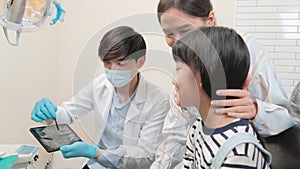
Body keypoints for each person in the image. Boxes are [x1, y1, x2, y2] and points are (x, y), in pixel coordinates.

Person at [151, 0, 296, 168]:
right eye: (169, 34)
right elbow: (174, 134)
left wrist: (257, 110)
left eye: (185, 30)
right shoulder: (196, 129)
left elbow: (288, 119)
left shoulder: (244, 51)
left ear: (210, 19)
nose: (178, 41)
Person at [31, 26, 170, 169]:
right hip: (97, 165)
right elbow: (66, 114)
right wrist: (49, 113)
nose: (113, 70)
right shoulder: (99, 85)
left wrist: (94, 152)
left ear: (140, 62)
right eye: (107, 63)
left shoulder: (159, 101)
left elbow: (144, 156)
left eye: (121, 63)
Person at [173, 26, 271, 169]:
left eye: (178, 70)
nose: (173, 80)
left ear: (208, 73)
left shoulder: (238, 152)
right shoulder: (198, 128)